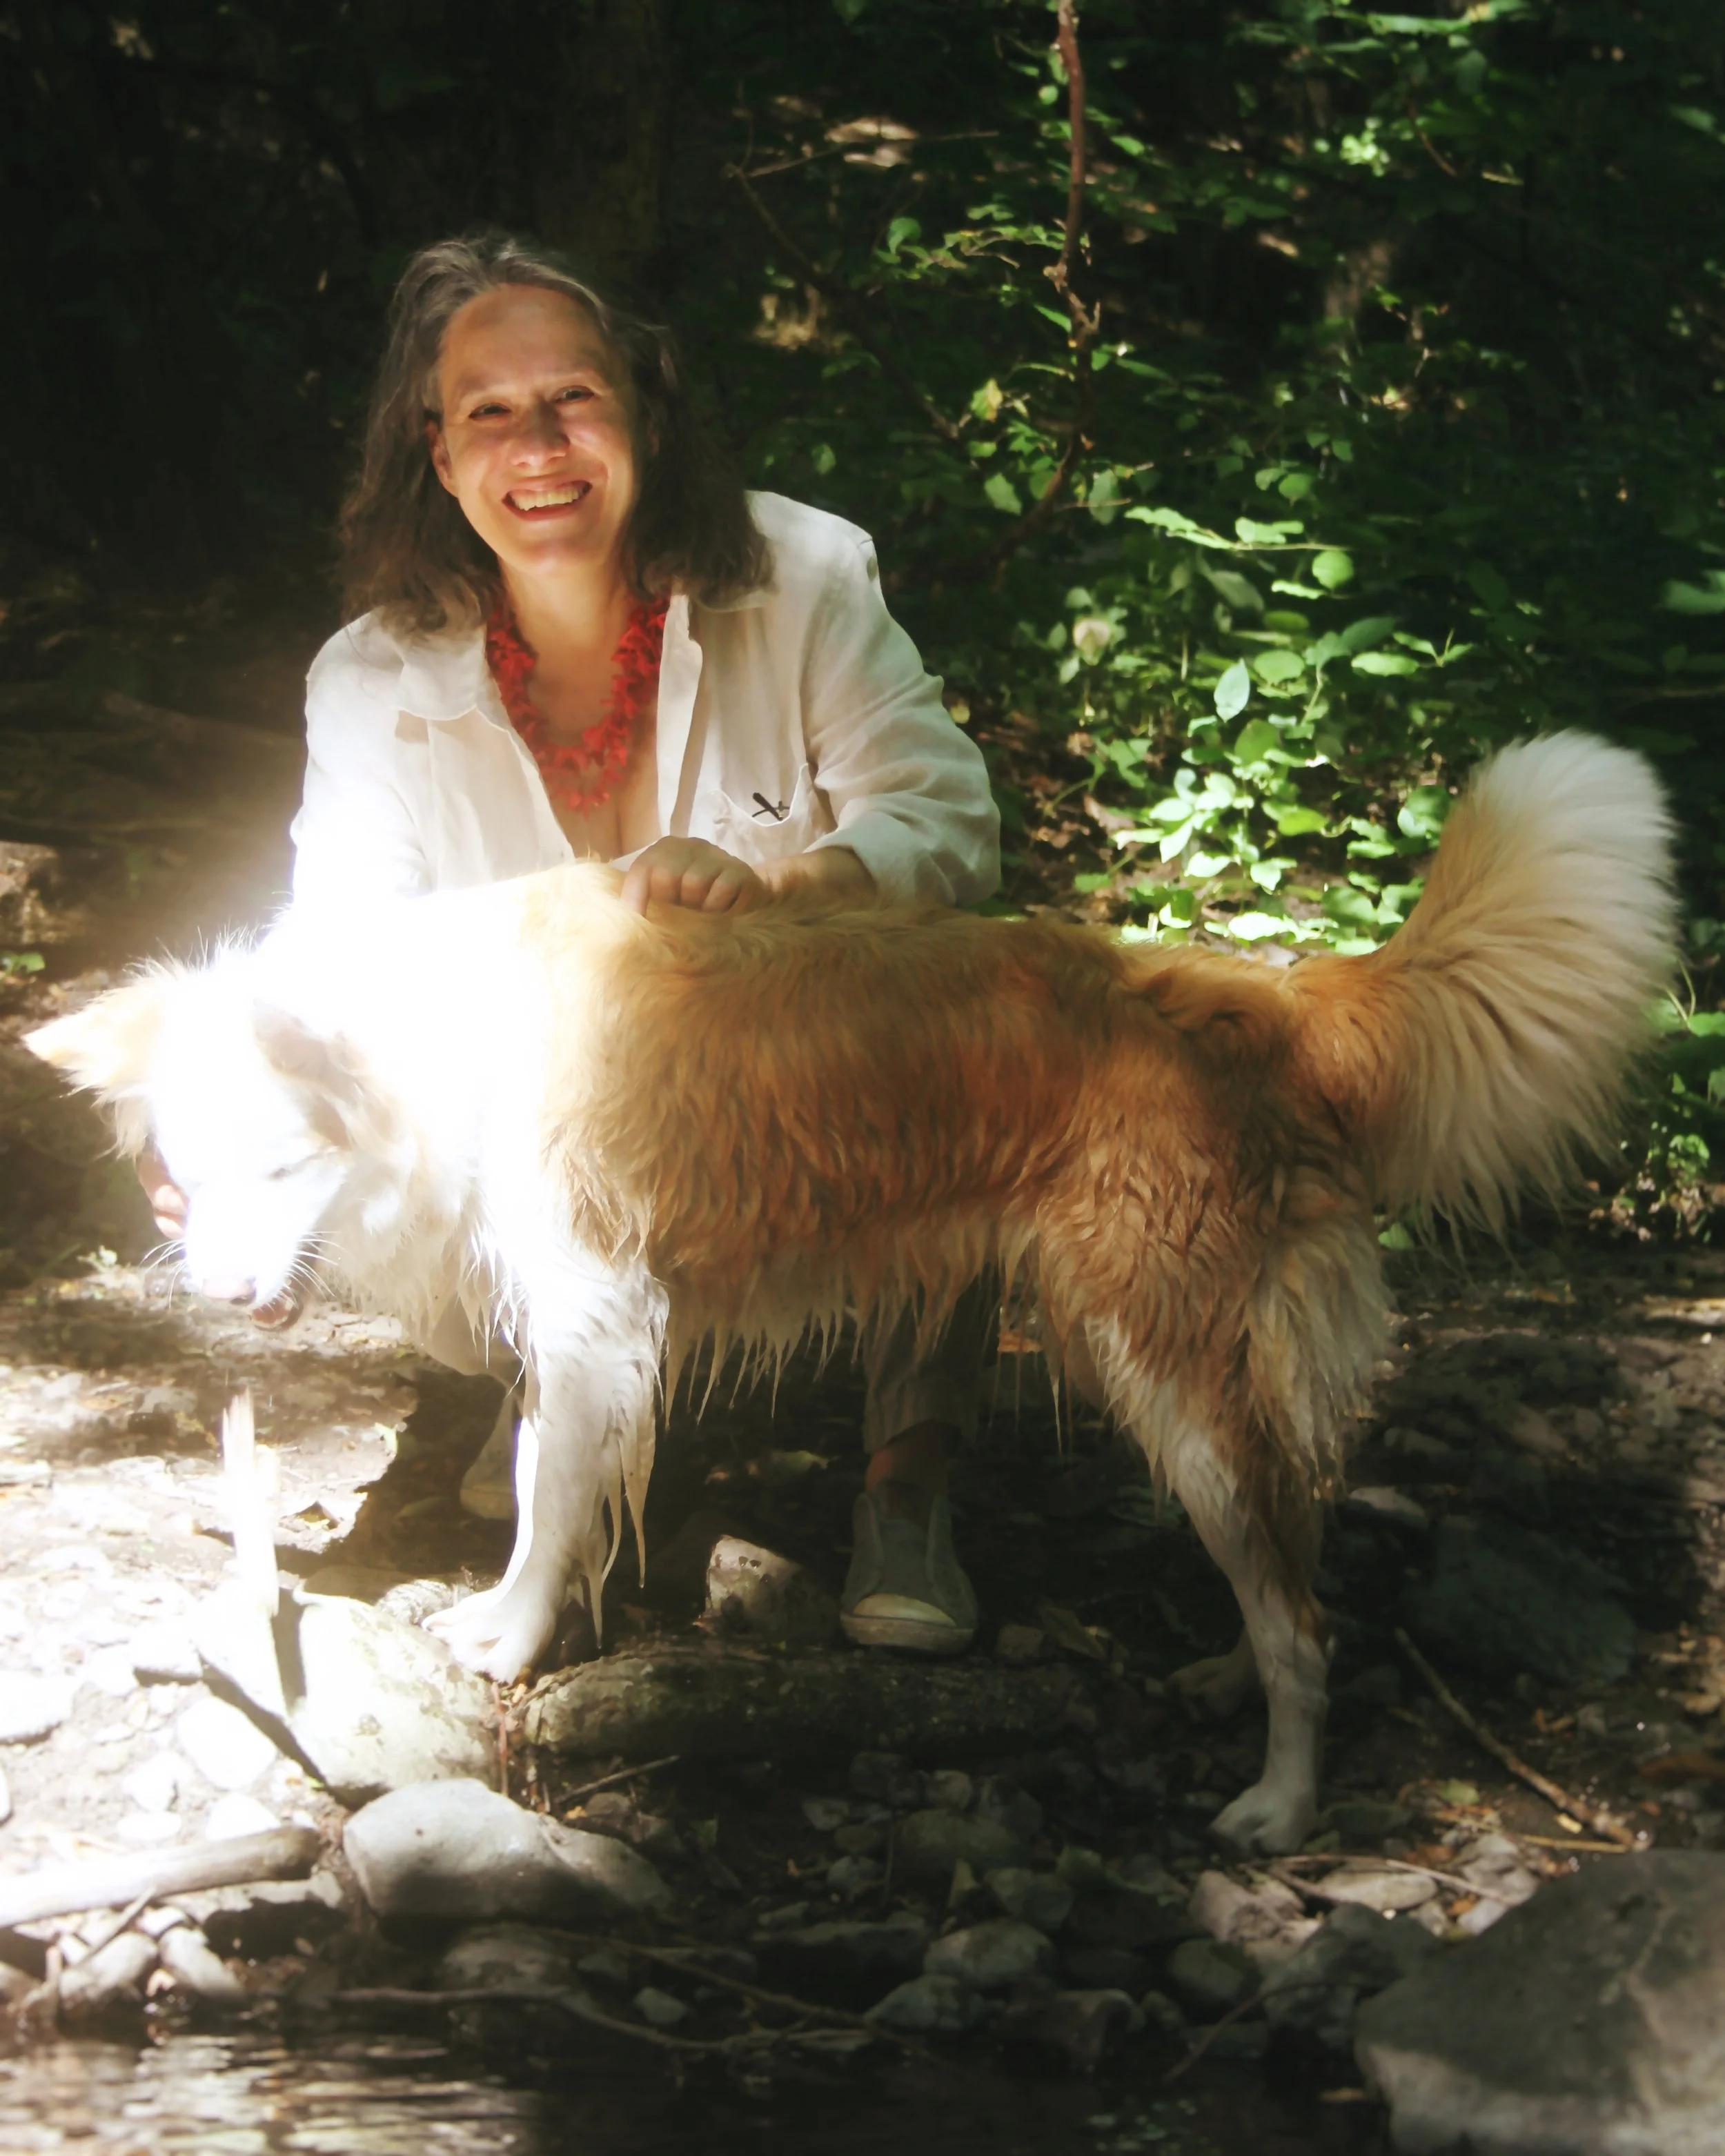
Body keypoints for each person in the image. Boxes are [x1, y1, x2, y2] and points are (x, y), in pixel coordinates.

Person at [144, 232, 1000, 1654]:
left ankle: (907, 1473)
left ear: (645, 412)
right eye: (489, 410)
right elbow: (333, 941)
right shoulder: (368, 675)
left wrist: (785, 889)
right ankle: (562, 1391)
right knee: (361, 1127)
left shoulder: (798, 573)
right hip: (567, 1144)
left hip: (800, 1090)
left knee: (965, 1019)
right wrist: (211, 1134)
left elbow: (946, 816)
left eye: (575, 400)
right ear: (435, 448)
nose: (537, 444)